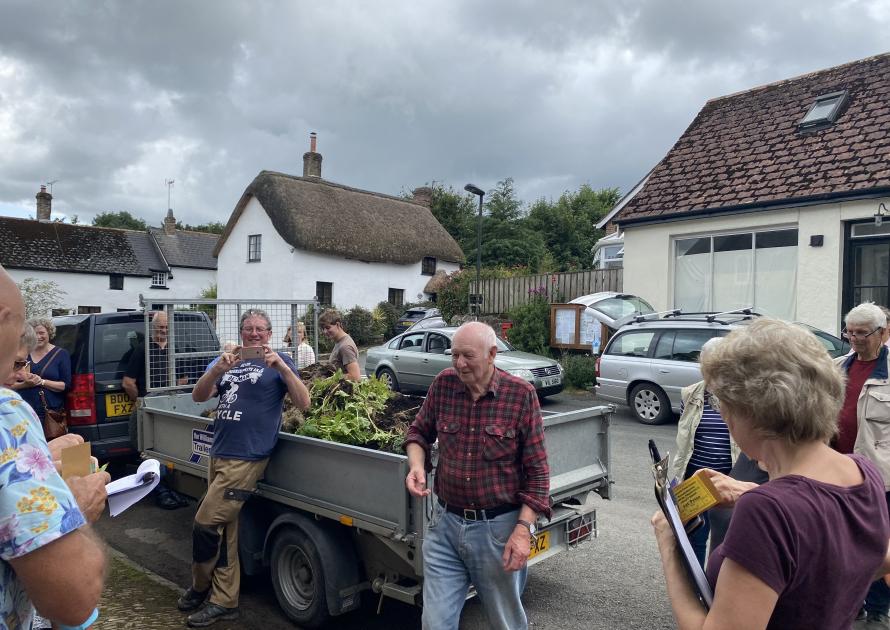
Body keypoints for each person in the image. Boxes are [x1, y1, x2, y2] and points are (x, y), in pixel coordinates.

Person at [652, 318, 890, 629]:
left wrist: (670, 545)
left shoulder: (766, 511)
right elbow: (873, 559)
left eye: (721, 404)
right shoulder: (864, 472)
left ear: (749, 412)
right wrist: (749, 491)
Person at [405, 322, 550, 630]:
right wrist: (417, 465)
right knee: (434, 623)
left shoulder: (520, 395)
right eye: (454, 355)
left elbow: (538, 474)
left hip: (497, 532)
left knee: (505, 623)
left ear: (492, 354)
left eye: (467, 355)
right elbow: (418, 431)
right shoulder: (444, 385)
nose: (459, 363)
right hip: (445, 525)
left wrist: (523, 531)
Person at [180, 308, 310, 627]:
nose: (254, 333)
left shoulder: (279, 361)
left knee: (206, 524)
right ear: (241, 332)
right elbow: (199, 396)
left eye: (260, 329)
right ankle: (225, 600)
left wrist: (281, 366)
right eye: (248, 328)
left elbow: (304, 402)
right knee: (225, 530)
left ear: (269, 333)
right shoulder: (229, 360)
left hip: (247, 457)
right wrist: (216, 370)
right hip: (220, 451)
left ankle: (199, 587)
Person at [0, 268, 109, 630]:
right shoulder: (6, 414)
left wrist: (39, 456)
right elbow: (74, 601)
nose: (17, 372)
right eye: (17, 358)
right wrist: (73, 510)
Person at [834, 302, 890, 628]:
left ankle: (879, 610)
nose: (854, 340)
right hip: (837, 473)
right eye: (849, 332)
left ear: (883, 333)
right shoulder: (836, 366)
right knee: (841, 542)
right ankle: (851, 604)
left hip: (879, 478)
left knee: (877, 543)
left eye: (862, 333)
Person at [670, 338, 739, 567]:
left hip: (730, 476)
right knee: (694, 534)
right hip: (696, 476)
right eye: (708, 363)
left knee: (726, 538)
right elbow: (685, 441)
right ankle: (696, 586)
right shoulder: (690, 394)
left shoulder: (742, 396)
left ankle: (718, 585)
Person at [10, 317, 71, 433]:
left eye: (42, 333)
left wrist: (41, 382)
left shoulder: (61, 354)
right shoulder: (22, 354)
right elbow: (7, 384)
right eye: (34, 333)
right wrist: (25, 384)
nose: (38, 336)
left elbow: (65, 385)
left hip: (49, 412)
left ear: (49, 333)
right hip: (22, 410)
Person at [318, 309, 360, 381]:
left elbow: (355, 377)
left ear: (337, 324)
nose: (325, 331)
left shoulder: (345, 347)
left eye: (328, 327)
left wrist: (330, 379)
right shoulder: (340, 342)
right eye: (323, 328)